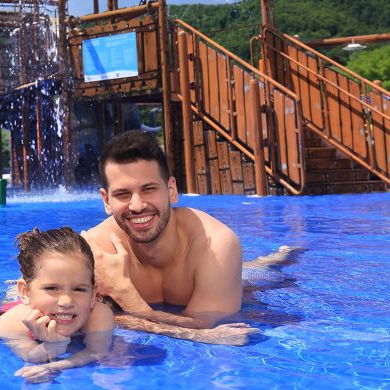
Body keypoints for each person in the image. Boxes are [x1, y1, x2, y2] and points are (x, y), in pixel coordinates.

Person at [81, 130, 293, 345]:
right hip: (207, 285)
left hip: (232, 279)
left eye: (149, 189)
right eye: (123, 194)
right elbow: (82, 319)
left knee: (262, 275)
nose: (137, 206)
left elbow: (209, 326)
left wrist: (125, 294)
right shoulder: (96, 249)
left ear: (171, 190)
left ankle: (280, 257)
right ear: (106, 200)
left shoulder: (215, 245)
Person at [0, 227, 114, 383]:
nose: (66, 301)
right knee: (11, 294)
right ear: (25, 292)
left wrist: (54, 366)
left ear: (93, 295)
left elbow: (97, 352)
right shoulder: (8, 324)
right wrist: (54, 346)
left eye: (79, 289)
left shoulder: (98, 314)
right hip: (20, 303)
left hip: (40, 299)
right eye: (52, 288)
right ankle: (17, 288)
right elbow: (31, 357)